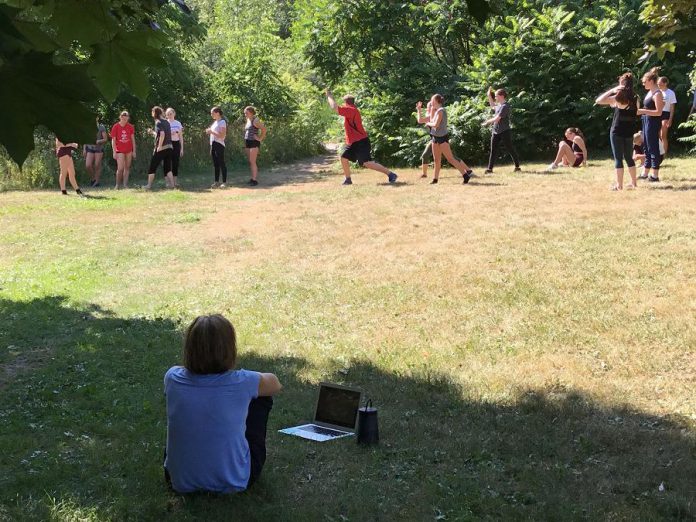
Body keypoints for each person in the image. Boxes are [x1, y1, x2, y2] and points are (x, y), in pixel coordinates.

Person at [164, 314, 282, 494]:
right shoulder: (243, 382)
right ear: (229, 349)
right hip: (236, 480)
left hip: (178, 481)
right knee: (261, 397)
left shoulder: (172, 377)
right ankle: (231, 461)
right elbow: (275, 384)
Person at [325, 90, 398, 185]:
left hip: (361, 142)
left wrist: (329, 96)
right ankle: (348, 179)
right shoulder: (352, 110)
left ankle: (391, 174)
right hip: (354, 142)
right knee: (344, 158)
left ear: (346, 102)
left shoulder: (351, 110)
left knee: (367, 163)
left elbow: (334, 107)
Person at [595, 72, 639, 190]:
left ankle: (619, 186)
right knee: (629, 157)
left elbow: (599, 100)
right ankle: (634, 183)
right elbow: (637, 112)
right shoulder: (636, 97)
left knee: (618, 159)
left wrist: (613, 90)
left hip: (617, 131)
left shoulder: (618, 98)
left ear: (622, 84)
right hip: (629, 131)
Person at [415, 94, 473, 184]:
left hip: (442, 138)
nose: (431, 102)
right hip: (435, 138)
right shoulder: (435, 112)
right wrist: (419, 110)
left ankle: (465, 175)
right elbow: (421, 120)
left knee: (450, 159)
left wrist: (428, 123)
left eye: (432, 100)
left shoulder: (441, 111)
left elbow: (435, 125)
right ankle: (435, 179)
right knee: (436, 160)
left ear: (436, 101)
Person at [483, 87, 521, 174]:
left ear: (502, 96)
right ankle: (490, 169)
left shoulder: (505, 106)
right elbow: (492, 106)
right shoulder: (499, 105)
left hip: (504, 131)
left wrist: (487, 122)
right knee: (493, 150)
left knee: (510, 148)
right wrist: (489, 95)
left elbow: (497, 119)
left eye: (496, 96)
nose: (495, 97)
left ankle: (517, 166)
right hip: (495, 131)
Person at [637, 67, 665, 182]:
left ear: (651, 81)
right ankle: (645, 172)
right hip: (646, 121)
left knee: (653, 148)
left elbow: (659, 112)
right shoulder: (650, 92)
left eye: (645, 82)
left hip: (653, 122)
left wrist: (642, 111)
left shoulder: (657, 94)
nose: (643, 84)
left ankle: (655, 175)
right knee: (646, 147)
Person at [144, 106, 175, 190]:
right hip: (169, 147)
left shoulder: (158, 122)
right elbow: (160, 134)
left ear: (154, 113)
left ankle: (149, 185)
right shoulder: (166, 122)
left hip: (162, 148)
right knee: (167, 167)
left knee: (152, 167)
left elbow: (162, 134)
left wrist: (159, 146)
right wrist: (152, 132)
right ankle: (172, 185)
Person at [111, 111, 136, 189]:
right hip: (119, 150)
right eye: (123, 118)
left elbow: (133, 140)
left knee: (127, 167)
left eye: (126, 118)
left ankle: (125, 185)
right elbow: (113, 140)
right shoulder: (115, 126)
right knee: (120, 168)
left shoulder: (130, 126)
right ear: (120, 117)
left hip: (129, 150)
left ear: (128, 118)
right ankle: (117, 185)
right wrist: (114, 151)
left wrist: (134, 151)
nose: (125, 119)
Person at [243, 106, 267, 186]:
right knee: (250, 161)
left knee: (253, 161)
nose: (245, 114)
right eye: (245, 113)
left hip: (254, 142)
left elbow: (264, 129)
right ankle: (252, 178)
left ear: (251, 112)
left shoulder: (255, 120)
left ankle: (254, 180)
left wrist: (260, 138)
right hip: (247, 142)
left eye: (246, 113)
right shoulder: (248, 120)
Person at [206, 106, 227, 188]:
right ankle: (216, 181)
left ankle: (224, 182)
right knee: (216, 164)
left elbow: (222, 136)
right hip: (213, 144)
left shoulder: (222, 122)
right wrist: (209, 132)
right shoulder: (215, 122)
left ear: (218, 113)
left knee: (221, 163)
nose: (211, 114)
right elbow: (213, 134)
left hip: (219, 144)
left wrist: (212, 131)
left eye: (212, 113)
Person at [84, 117, 108, 187]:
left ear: (97, 118)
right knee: (88, 165)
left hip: (99, 148)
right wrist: (84, 149)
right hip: (89, 147)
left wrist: (98, 141)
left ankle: (97, 182)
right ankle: (93, 179)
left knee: (97, 165)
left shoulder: (101, 127)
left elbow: (105, 139)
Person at [657, 76, 676, 155]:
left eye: (660, 84)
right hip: (657, 113)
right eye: (658, 84)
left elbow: (672, 107)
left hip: (666, 114)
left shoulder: (671, 93)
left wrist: (670, 119)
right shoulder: (657, 92)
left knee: (663, 135)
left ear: (665, 83)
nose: (659, 85)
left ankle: (664, 154)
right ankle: (658, 153)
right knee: (657, 134)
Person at [165, 108, 183, 188]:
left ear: (174, 114)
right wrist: (169, 133)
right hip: (167, 144)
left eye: (170, 113)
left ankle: (175, 182)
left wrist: (182, 148)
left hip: (176, 144)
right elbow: (161, 135)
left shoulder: (178, 123)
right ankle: (168, 182)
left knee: (175, 163)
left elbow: (181, 136)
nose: (169, 115)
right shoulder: (165, 123)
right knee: (167, 163)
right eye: (168, 114)